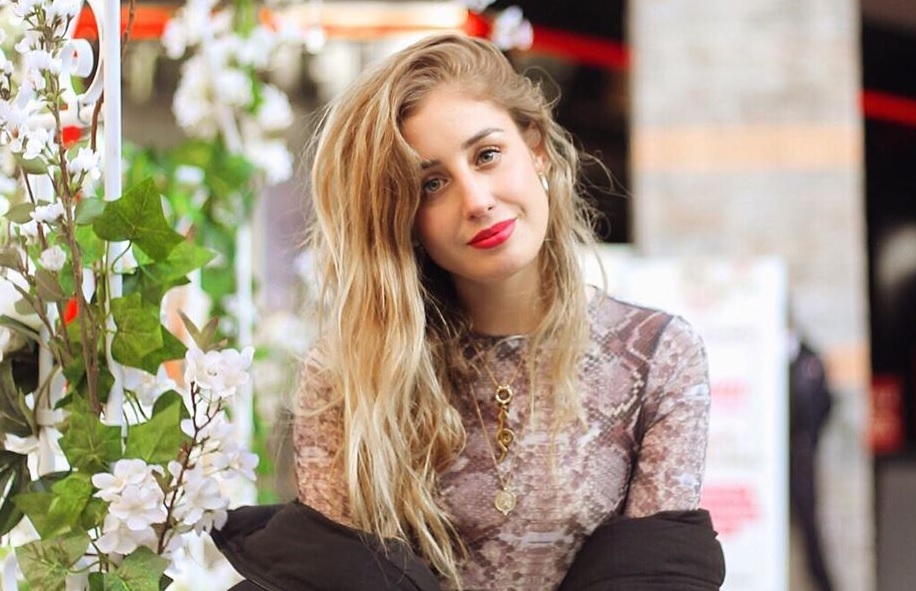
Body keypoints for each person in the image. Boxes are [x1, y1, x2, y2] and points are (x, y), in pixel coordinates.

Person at [212, 34, 723, 591]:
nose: (477, 200)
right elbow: (332, 580)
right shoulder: (347, 370)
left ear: (536, 148)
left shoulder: (656, 355)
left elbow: (654, 579)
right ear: (404, 218)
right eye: (432, 184)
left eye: (487, 155)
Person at [788, 332, 834, 591]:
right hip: (780, 458)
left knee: (809, 529)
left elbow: (824, 403)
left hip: (800, 457)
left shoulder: (808, 359)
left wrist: (808, 440)